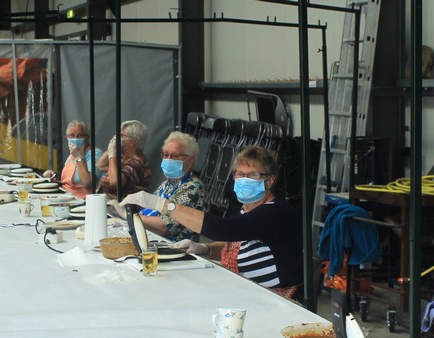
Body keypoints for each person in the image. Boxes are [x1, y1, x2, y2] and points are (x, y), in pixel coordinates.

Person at [120, 145, 304, 300]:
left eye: (253, 175)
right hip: (245, 289)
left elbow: (225, 230)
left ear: (269, 181)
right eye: (240, 174)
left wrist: (161, 205)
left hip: (277, 299)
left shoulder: (276, 213)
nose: (244, 180)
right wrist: (205, 249)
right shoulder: (247, 209)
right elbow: (237, 244)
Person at [132, 131, 206, 241]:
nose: (168, 159)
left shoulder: (194, 188)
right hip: (152, 238)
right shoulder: (167, 184)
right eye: (166, 155)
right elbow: (151, 212)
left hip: (175, 247)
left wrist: (132, 217)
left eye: (175, 156)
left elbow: (165, 226)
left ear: (191, 160)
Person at [43, 120, 103, 199]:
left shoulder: (95, 154)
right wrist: (52, 179)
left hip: (83, 199)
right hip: (65, 196)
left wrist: (79, 158)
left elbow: (88, 184)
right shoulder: (71, 156)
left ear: (87, 137)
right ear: (67, 137)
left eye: (79, 135)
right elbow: (67, 183)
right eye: (72, 135)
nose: (75, 138)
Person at [96, 119, 151, 199]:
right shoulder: (122, 158)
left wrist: (112, 155)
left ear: (132, 141)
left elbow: (115, 182)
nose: (116, 138)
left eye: (121, 135)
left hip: (122, 205)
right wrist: (111, 148)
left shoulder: (137, 163)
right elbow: (100, 165)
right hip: (107, 202)